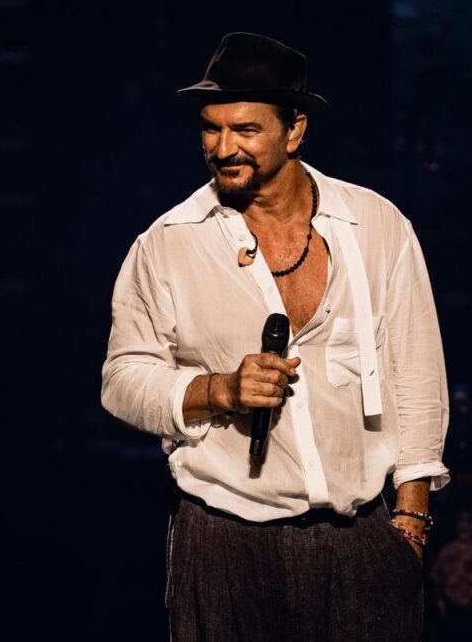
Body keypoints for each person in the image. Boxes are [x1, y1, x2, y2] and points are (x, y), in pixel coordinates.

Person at [101, 32, 450, 641]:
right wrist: (217, 390)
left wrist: (411, 525)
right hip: (224, 542)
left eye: (245, 130)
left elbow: (417, 376)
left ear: (294, 131)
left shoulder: (376, 226)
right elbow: (122, 379)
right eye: (211, 129)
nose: (223, 148)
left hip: (362, 541)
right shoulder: (168, 243)